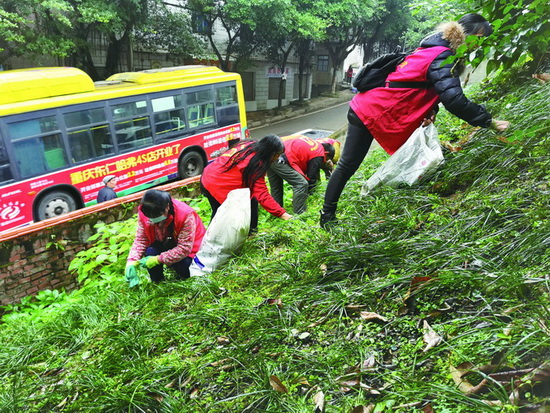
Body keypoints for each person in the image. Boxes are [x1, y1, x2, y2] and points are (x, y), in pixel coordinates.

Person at [320, 13, 510, 228]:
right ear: (470, 34)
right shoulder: (442, 55)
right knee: (349, 164)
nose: (480, 44)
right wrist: (489, 122)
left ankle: (413, 201)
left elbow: (424, 85)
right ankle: (327, 217)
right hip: (374, 110)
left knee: (420, 155)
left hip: (374, 106)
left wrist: (431, 109)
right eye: (480, 37)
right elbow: (454, 99)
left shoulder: (431, 49)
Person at [200, 134, 293, 232]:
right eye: (278, 154)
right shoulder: (255, 163)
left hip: (210, 174)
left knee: (251, 202)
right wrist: (283, 214)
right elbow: (262, 194)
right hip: (214, 183)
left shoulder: (251, 144)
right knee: (220, 216)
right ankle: (208, 242)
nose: (278, 158)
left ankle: (252, 232)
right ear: (271, 153)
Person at [125, 190, 206, 286]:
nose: (153, 221)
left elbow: (185, 248)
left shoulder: (185, 215)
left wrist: (158, 259)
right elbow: (142, 238)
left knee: (184, 267)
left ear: (167, 207)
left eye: (156, 217)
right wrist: (132, 260)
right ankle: (157, 282)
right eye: (150, 219)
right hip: (166, 242)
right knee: (150, 251)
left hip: (190, 249)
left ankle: (183, 277)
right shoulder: (145, 212)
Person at [267, 135, 335, 214]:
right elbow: (312, 177)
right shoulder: (319, 153)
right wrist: (311, 194)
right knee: (301, 184)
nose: (324, 161)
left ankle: (276, 213)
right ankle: (299, 214)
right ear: (326, 153)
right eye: (326, 159)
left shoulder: (315, 145)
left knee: (276, 187)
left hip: (271, 155)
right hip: (280, 157)